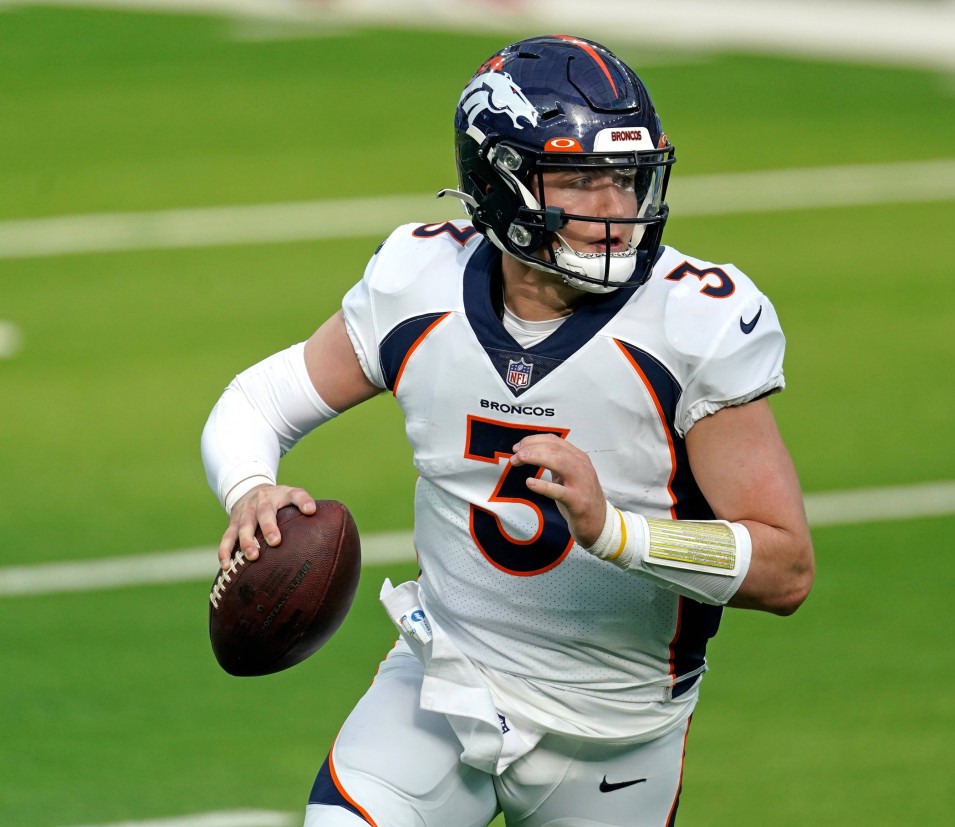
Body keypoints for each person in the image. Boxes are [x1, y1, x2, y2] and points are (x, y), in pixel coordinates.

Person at [201, 34, 814, 827]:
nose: (614, 210)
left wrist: (619, 532)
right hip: (442, 688)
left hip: (614, 738)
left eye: (626, 178)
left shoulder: (693, 321)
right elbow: (257, 401)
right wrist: (250, 488)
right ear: (498, 180)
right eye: (580, 179)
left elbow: (786, 566)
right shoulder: (418, 281)